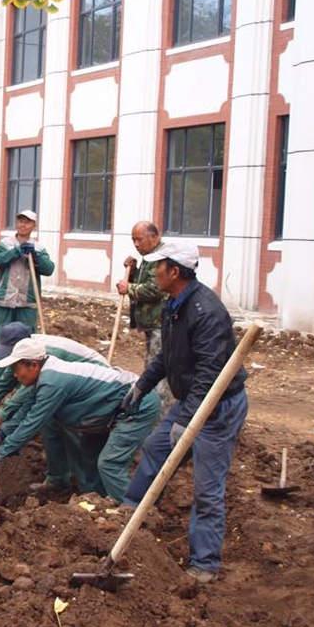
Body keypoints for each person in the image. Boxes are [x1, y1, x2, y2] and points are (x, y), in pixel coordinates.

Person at [120, 242, 248, 584]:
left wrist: (186, 420)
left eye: (158, 266)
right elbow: (166, 358)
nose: (152, 272)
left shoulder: (206, 312)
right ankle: (129, 511)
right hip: (193, 400)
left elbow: (210, 375)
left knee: (207, 489)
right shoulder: (173, 304)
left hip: (217, 408)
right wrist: (141, 387)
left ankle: (205, 564)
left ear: (174, 271)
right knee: (156, 448)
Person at [0, 337, 160, 504]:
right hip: (108, 411)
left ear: (32, 365)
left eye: (16, 368)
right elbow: (25, 410)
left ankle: (132, 513)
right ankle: (98, 501)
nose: (14, 375)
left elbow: (33, 421)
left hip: (136, 406)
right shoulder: (43, 375)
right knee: (88, 455)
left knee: (110, 463)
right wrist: (0, 436)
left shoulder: (53, 382)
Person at [0, 322, 108, 438]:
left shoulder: (40, 354)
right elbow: (3, 382)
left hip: (97, 380)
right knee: (45, 415)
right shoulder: (24, 354)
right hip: (72, 381)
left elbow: (26, 391)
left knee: (56, 418)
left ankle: (66, 468)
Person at [117, 221, 172, 413]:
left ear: (154, 237)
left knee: (158, 369)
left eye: (139, 239)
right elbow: (145, 281)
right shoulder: (149, 257)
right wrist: (132, 273)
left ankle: (161, 413)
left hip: (161, 323)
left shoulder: (162, 258)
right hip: (151, 323)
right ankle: (152, 409)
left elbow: (156, 288)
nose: (136, 244)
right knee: (152, 366)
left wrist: (129, 288)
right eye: (133, 240)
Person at [0, 210, 54, 343]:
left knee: (27, 339)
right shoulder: (5, 244)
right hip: (6, 299)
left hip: (27, 301)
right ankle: (1, 363)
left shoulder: (38, 247)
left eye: (27, 222)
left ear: (33, 226)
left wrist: (36, 257)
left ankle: (23, 363)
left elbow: (49, 269)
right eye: (20, 221)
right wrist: (16, 251)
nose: (23, 225)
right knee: (2, 336)